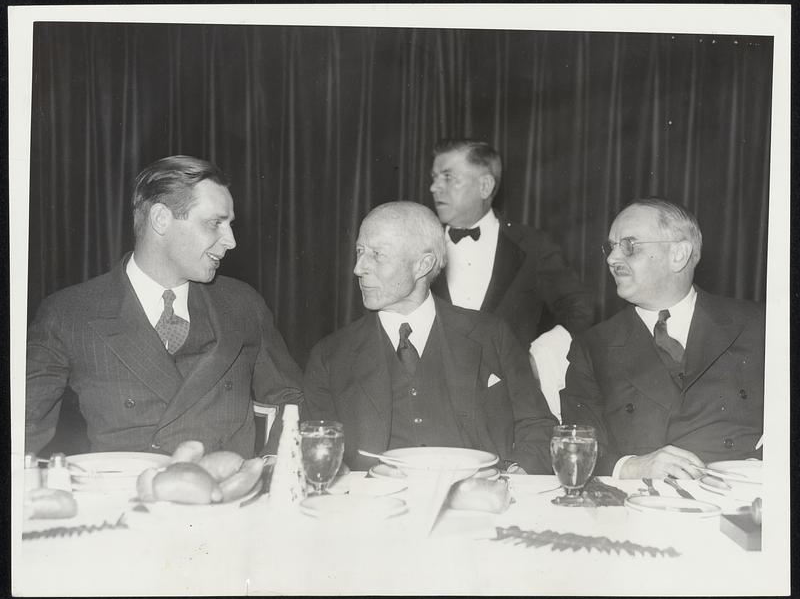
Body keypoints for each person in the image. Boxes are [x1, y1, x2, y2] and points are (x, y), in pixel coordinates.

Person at [26, 155, 304, 458]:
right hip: (125, 497)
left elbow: (291, 398)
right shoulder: (68, 313)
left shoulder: (243, 303)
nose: (231, 241)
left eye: (229, 225)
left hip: (225, 496)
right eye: (215, 224)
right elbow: (22, 430)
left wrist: (271, 470)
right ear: (161, 219)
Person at [303, 201, 557, 473]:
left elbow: (538, 426)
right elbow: (312, 447)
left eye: (377, 254)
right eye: (359, 251)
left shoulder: (491, 335)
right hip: (375, 507)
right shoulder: (331, 355)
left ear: (423, 264)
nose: (358, 268)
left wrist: (516, 472)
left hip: (477, 505)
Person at [560, 198, 765, 479]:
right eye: (611, 247)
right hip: (643, 505)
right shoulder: (593, 347)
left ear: (679, 254)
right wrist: (632, 467)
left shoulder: (760, 324)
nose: (611, 259)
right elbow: (575, 446)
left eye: (629, 246)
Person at [429, 138, 594, 349]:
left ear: (485, 186)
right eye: (434, 178)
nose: (434, 187)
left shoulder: (533, 245)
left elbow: (580, 307)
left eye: (448, 177)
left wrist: (544, 355)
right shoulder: (419, 245)